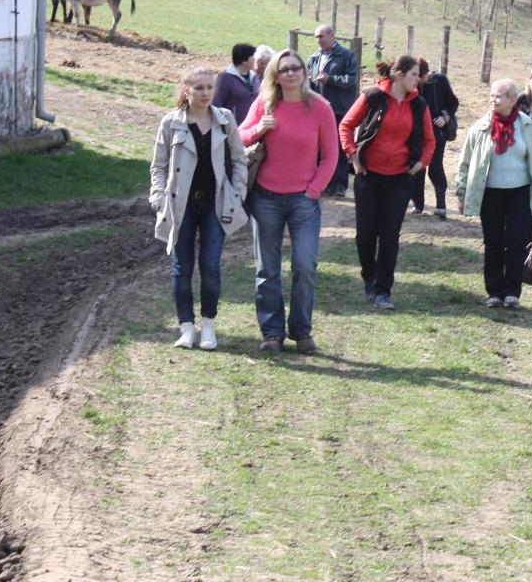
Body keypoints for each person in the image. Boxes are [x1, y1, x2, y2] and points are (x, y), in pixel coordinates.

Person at [239, 50, 339, 354]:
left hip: (303, 202)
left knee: (305, 265)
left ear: (305, 73)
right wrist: (260, 128)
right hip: (265, 198)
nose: (291, 74)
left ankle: (301, 331)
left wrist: (314, 190)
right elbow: (239, 136)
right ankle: (272, 333)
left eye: (296, 68)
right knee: (267, 268)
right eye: (284, 70)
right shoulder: (265, 104)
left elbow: (331, 155)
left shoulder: (320, 108)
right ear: (275, 75)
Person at [150, 66, 249, 351]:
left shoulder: (225, 120)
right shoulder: (171, 123)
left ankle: (208, 326)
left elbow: (239, 159)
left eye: (210, 87)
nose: (206, 93)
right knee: (181, 268)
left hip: (215, 204)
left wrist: (238, 193)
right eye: (200, 88)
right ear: (186, 91)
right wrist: (158, 198)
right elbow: (158, 165)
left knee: (210, 266)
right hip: (181, 205)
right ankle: (186, 328)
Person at [339, 56, 434, 311]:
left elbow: (430, 141)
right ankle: (369, 277)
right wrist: (353, 157)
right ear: (399, 75)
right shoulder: (372, 97)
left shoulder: (419, 105)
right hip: (368, 176)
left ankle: (383, 291)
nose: (419, 79)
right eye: (414, 74)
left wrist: (420, 163)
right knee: (366, 234)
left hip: (400, 179)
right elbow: (346, 125)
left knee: (390, 236)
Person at [455, 79, 532, 309]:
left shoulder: (528, 127)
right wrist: (461, 191)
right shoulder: (480, 127)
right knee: (494, 242)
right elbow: (465, 163)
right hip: (491, 193)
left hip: (520, 192)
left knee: (517, 240)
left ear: (512, 100)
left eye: (498, 96)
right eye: (491, 95)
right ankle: (494, 292)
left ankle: (512, 292)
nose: (492, 100)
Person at [307, 25, 359, 196]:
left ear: (332, 36)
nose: (318, 40)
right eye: (316, 37)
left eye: (321, 36)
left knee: (337, 147)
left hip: (338, 110)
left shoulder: (347, 55)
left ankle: (339, 186)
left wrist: (330, 79)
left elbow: (351, 80)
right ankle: (323, 183)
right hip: (318, 110)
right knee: (319, 147)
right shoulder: (313, 58)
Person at [412, 57, 459, 218]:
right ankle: (418, 205)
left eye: (420, 76)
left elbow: (453, 102)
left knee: (435, 166)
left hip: (437, 132)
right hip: (417, 134)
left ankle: (441, 205)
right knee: (418, 167)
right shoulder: (411, 86)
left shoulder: (439, 81)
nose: (418, 80)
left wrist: (444, 117)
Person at [212, 42, 259, 124]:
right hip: (233, 129)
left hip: (253, 128)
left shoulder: (255, 77)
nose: (255, 60)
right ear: (244, 60)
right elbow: (216, 105)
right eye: (253, 57)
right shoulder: (225, 78)